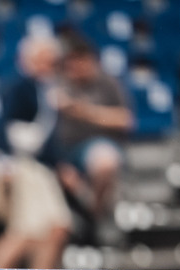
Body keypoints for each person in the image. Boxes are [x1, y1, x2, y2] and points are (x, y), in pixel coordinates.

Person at [0, 33, 75, 269]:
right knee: (23, 232)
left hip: (41, 170)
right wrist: (5, 165)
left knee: (55, 230)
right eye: (42, 60)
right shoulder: (20, 87)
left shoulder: (47, 90)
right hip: (22, 167)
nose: (48, 66)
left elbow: (49, 141)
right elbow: (4, 129)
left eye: (51, 61)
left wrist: (59, 164)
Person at [50, 37, 134, 229]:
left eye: (80, 60)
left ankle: (93, 217)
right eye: (71, 60)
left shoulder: (107, 83)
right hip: (63, 152)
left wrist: (84, 111)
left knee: (105, 160)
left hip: (99, 146)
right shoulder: (57, 84)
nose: (76, 66)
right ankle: (88, 217)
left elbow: (125, 120)